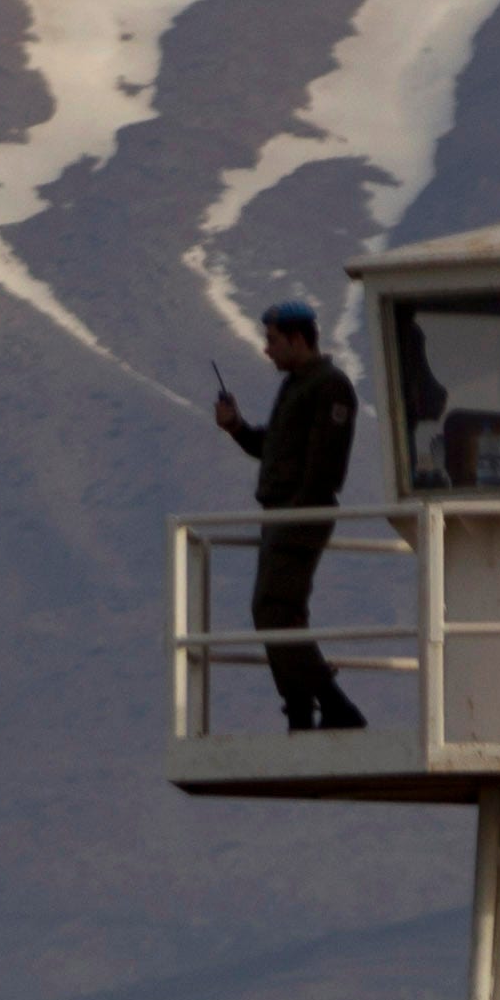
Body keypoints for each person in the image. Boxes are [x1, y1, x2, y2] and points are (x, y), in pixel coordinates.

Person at [210, 302, 367, 730]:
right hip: (281, 515)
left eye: (273, 340)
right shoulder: (297, 386)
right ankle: (303, 706)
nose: (267, 350)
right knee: (277, 612)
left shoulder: (329, 387)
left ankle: (331, 705)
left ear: (298, 339)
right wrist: (237, 428)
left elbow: (325, 467)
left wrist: (299, 516)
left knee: (275, 610)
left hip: (299, 516)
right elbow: (276, 449)